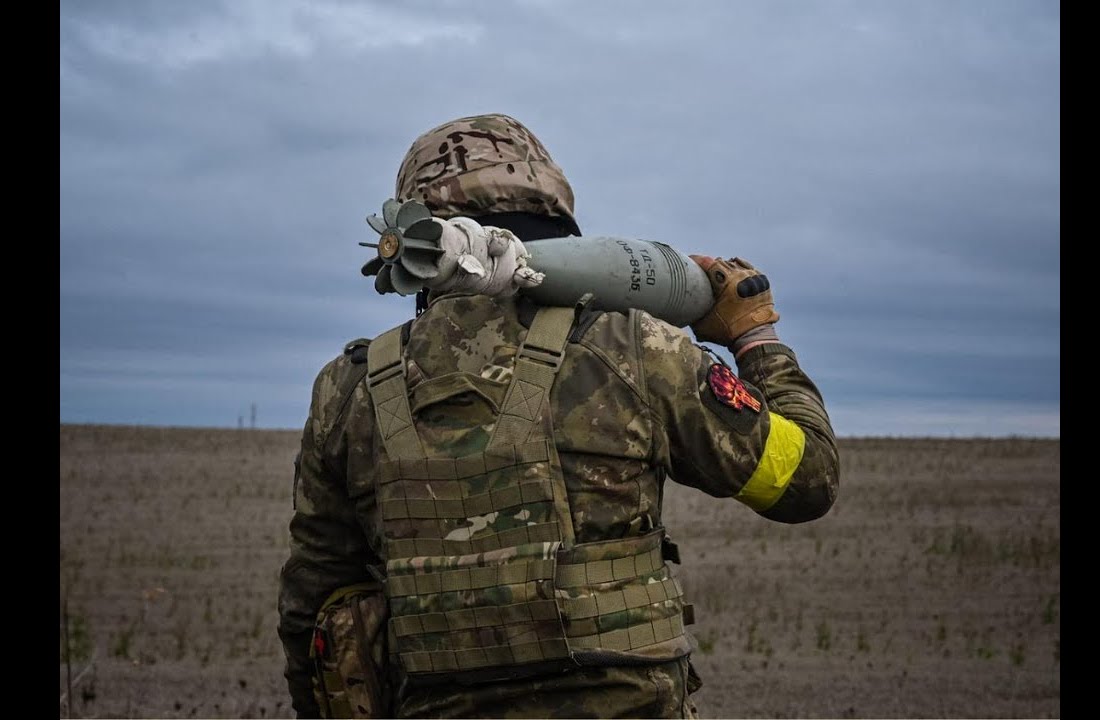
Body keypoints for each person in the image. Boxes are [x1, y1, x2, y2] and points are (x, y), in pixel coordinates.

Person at [278, 113, 839, 718]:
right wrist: (758, 337)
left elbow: (317, 604)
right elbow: (805, 482)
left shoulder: (351, 388)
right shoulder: (634, 350)